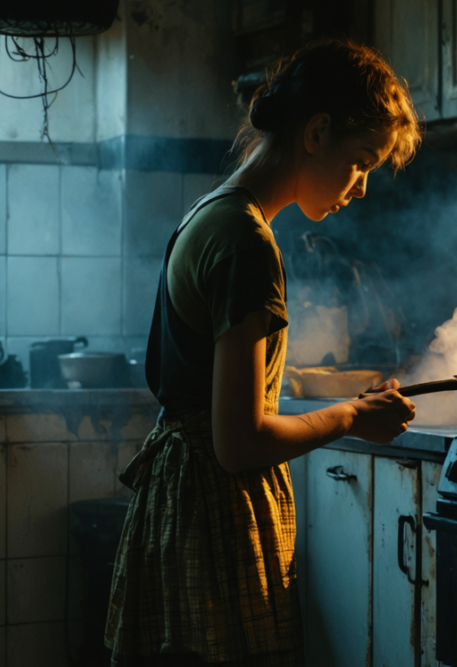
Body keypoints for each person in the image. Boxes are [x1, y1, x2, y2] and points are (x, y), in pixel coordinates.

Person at [105, 39, 421, 667]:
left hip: (184, 498)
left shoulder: (211, 212)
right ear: (317, 132)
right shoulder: (247, 242)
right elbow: (240, 441)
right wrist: (352, 416)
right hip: (214, 511)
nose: (360, 187)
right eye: (361, 162)